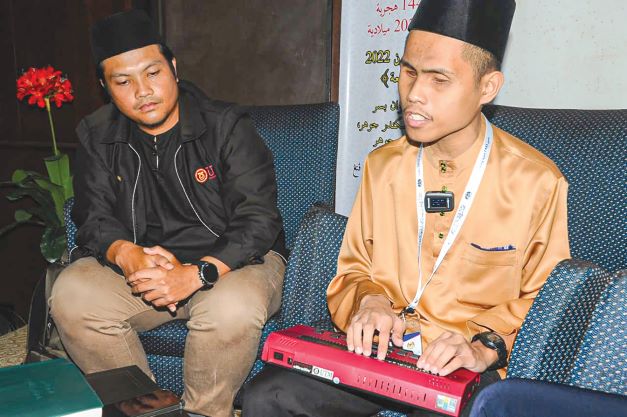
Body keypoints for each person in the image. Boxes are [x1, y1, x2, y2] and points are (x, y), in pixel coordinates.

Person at [242, 0, 570, 416]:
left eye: (439, 80)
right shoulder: (383, 167)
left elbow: (545, 301)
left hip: (462, 362)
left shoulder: (536, 181)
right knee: (268, 397)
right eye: (409, 72)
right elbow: (354, 271)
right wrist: (370, 303)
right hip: (383, 351)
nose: (414, 94)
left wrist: (484, 347)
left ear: (487, 88)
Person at [49, 10, 287, 417]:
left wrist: (197, 273)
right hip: (145, 269)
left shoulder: (226, 126)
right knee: (72, 295)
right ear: (106, 87)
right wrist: (126, 253)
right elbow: (92, 215)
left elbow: (259, 218)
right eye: (123, 81)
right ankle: (146, 410)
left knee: (230, 309)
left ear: (173, 68)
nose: (143, 91)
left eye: (153, 73)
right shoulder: (97, 134)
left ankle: (203, 412)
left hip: (233, 264)